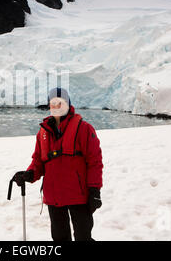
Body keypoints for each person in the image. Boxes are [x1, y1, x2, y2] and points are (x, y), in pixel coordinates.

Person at [12, 87, 103, 241]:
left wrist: (94, 190)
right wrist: (29, 174)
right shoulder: (43, 133)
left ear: (68, 104)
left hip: (79, 195)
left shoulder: (84, 129)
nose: (57, 106)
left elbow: (95, 161)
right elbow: (38, 161)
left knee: (83, 237)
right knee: (60, 238)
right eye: (53, 103)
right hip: (54, 195)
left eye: (60, 103)